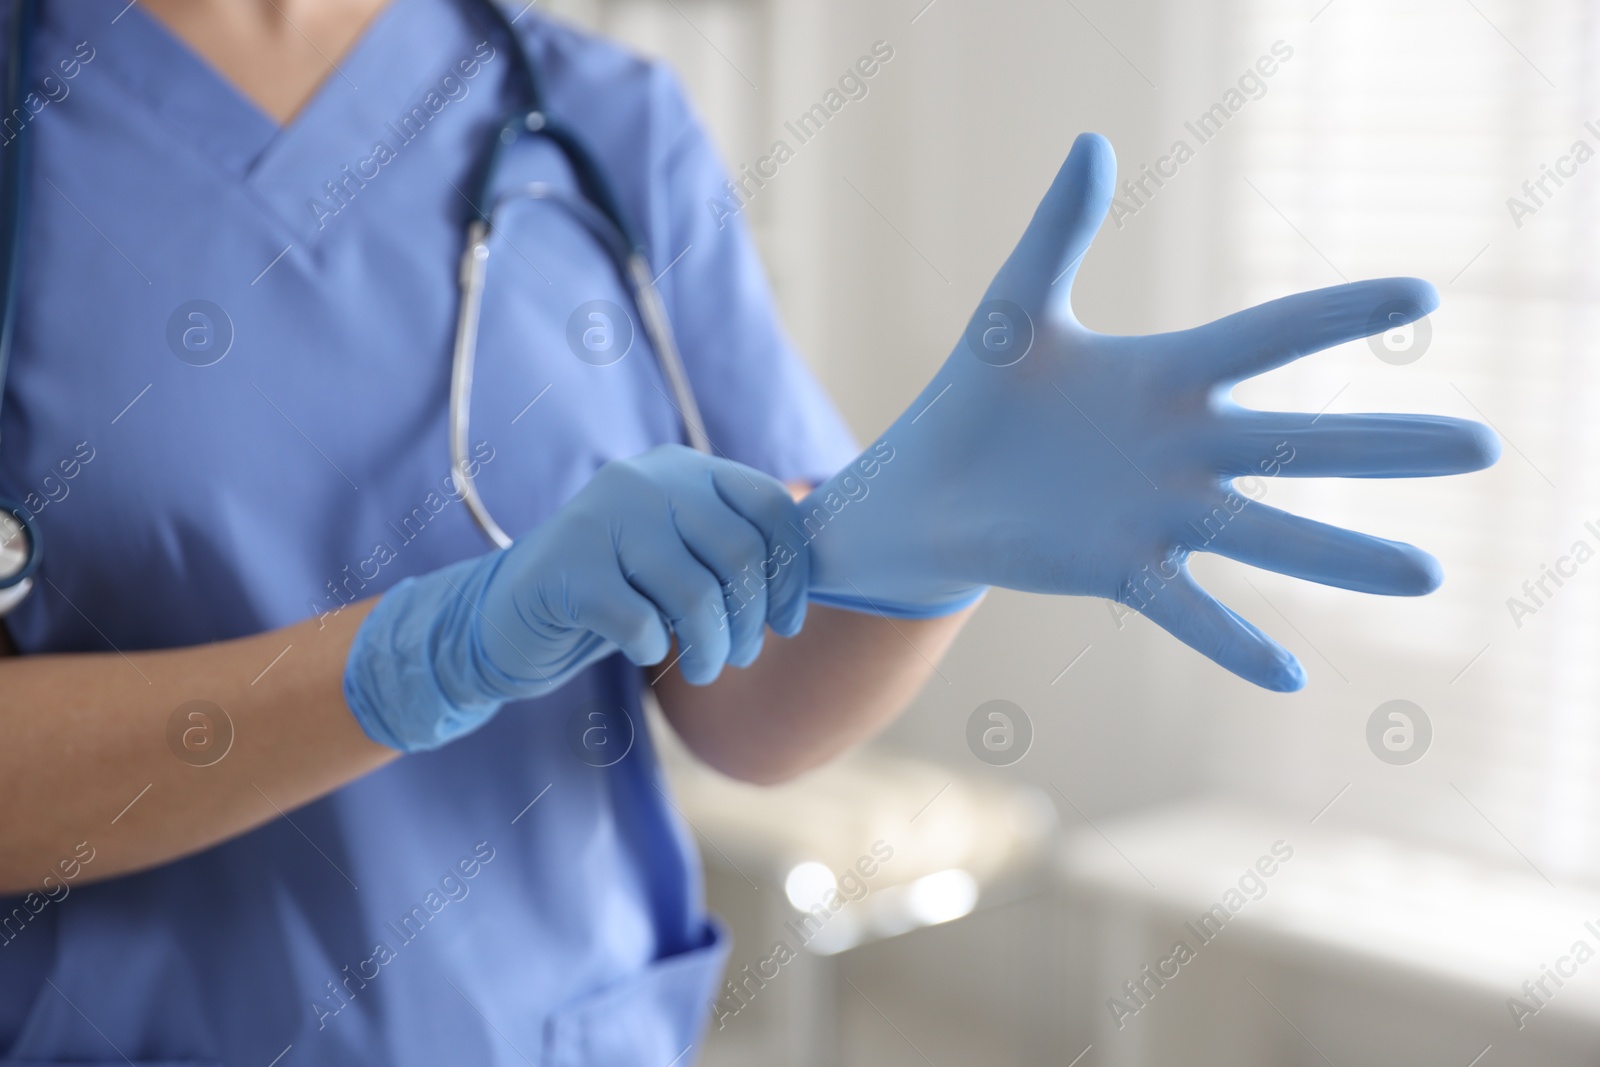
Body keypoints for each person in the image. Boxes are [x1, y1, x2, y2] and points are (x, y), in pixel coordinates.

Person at [0, 0, 1498, 1063]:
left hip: (548, 1026)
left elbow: (751, 711)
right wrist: (420, 657)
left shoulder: (598, 119)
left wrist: (926, 551)